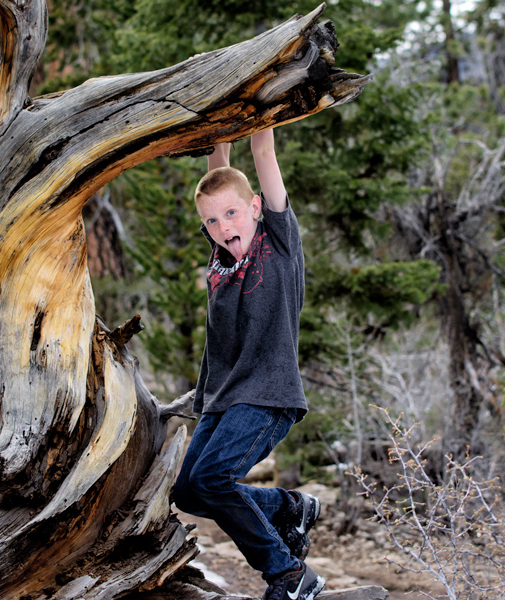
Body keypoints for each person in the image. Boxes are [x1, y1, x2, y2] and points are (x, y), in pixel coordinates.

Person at [172, 127, 324, 600]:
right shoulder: (220, 256)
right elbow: (220, 175)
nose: (223, 227)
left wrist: (257, 108)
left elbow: (262, 150)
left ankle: (290, 576)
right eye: (212, 221)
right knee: (190, 492)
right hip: (223, 398)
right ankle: (288, 507)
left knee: (213, 478)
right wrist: (219, 138)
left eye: (233, 214)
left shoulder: (276, 241)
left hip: (267, 394)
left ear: (256, 208)